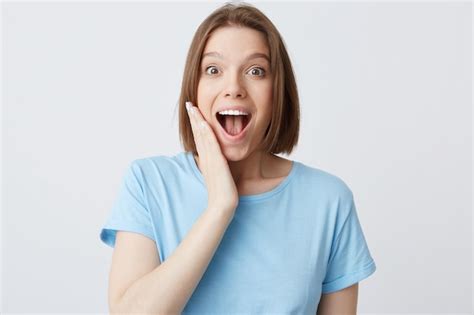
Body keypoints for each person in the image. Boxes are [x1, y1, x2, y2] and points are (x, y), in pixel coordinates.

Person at [100, 2, 376, 314]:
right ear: (194, 87)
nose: (234, 88)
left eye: (255, 71)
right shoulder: (149, 183)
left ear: (278, 93)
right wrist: (219, 207)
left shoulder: (329, 200)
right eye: (213, 70)